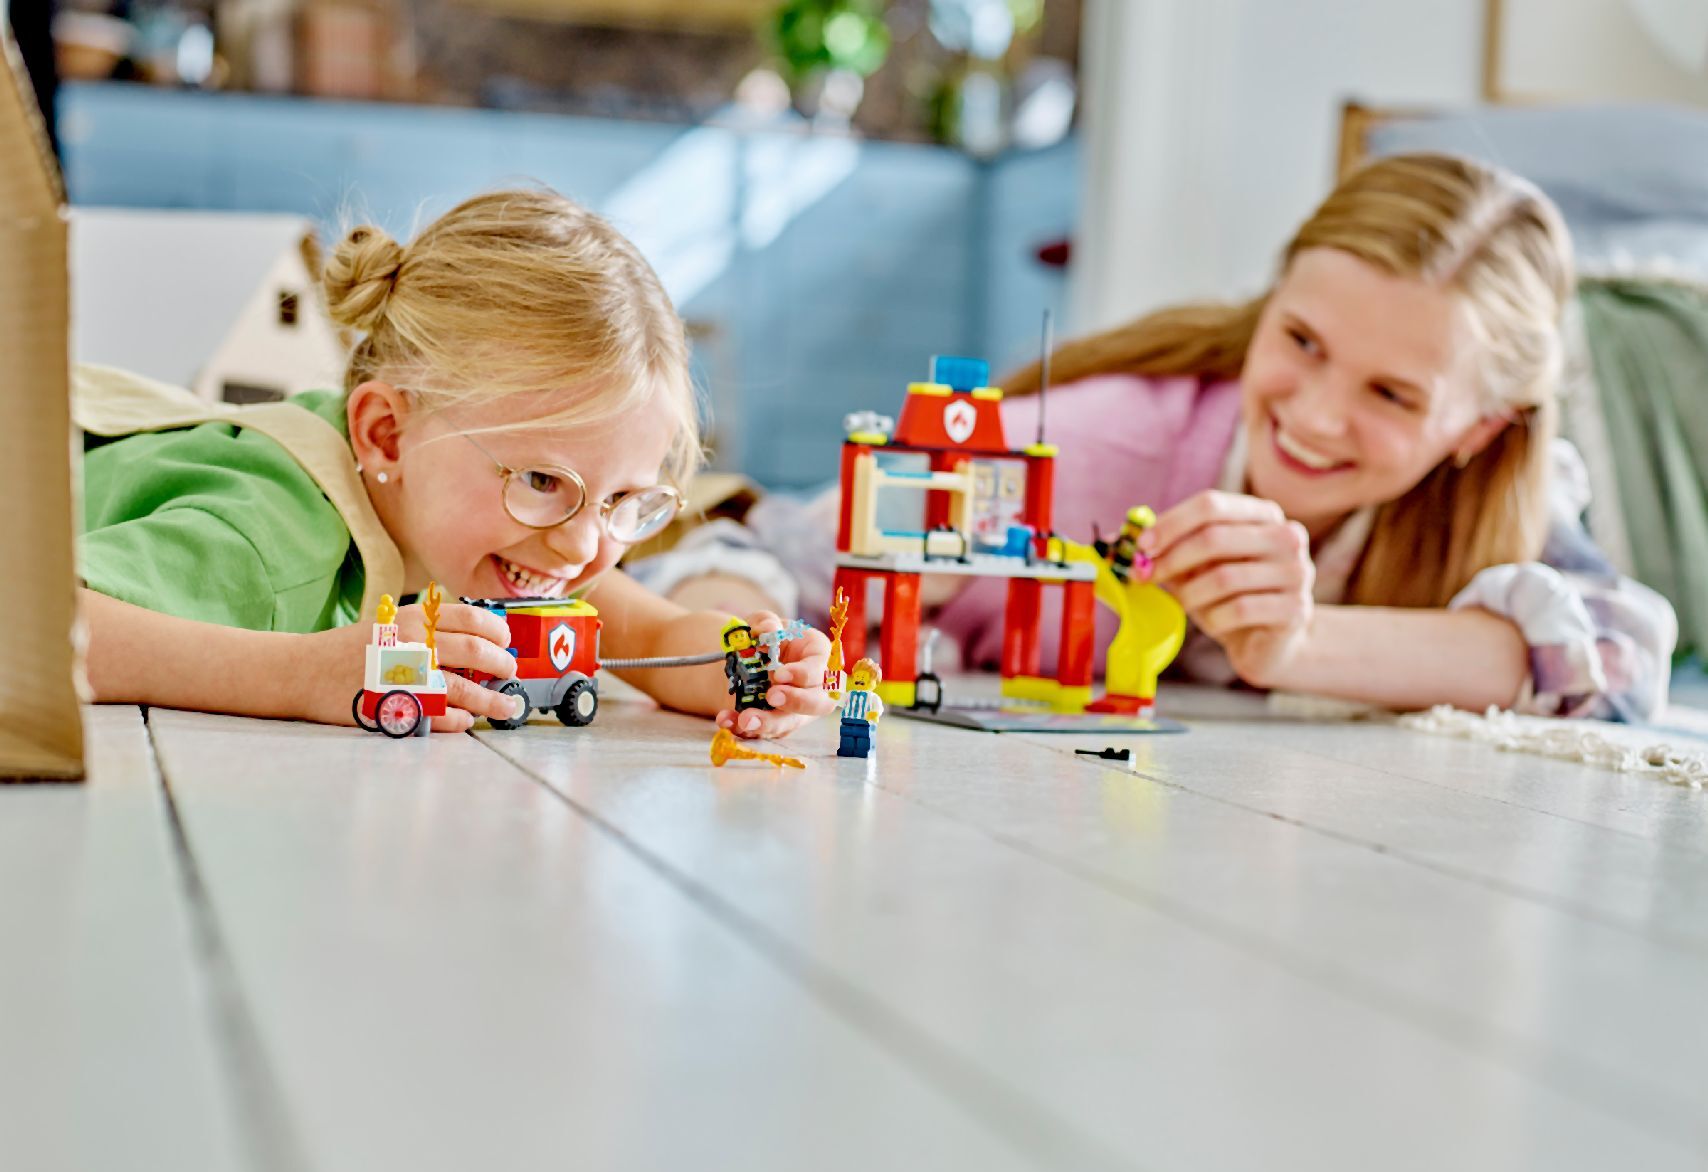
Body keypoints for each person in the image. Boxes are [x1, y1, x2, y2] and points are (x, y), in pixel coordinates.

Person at [638, 154, 1676, 721]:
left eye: (1393, 395)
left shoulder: (1495, 496)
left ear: (1478, 429)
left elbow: (1620, 662)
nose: (1317, 415)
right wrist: (729, 641)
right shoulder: (1098, 446)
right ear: (1268, 303)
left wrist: (1302, 645)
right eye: (1302, 341)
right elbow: (751, 550)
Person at [76, 189, 831, 737]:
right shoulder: (270, 539)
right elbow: (38, 630)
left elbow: (658, 638)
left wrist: (753, 670)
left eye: (621, 500)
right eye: (541, 480)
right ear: (387, 436)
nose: (582, 547)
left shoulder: (502, 538)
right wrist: (306, 674)